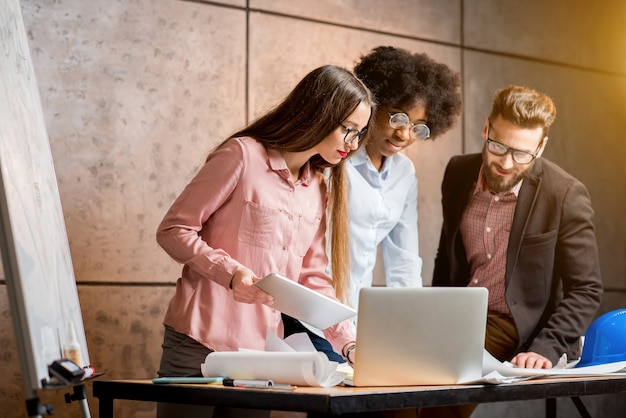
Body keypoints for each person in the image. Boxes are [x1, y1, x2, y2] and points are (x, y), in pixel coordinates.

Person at [154, 64, 374, 417]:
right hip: (199, 342)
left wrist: (347, 341)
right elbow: (173, 230)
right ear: (318, 112)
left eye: (359, 134)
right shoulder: (241, 155)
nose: (353, 143)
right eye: (347, 129)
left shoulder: (316, 187)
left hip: (260, 357)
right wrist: (230, 273)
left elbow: (313, 276)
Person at [422, 85, 603, 418]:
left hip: (511, 323)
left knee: (435, 397)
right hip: (453, 313)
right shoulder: (458, 172)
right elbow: (445, 256)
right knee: (385, 388)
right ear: (486, 128)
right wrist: (432, 313)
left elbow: (586, 289)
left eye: (522, 154)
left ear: (541, 146)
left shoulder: (565, 194)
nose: (506, 163)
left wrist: (546, 347)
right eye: (498, 146)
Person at [345, 46, 462, 312]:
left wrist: (413, 321)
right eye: (399, 117)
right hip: (313, 303)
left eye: (417, 126)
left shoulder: (404, 173)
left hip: (355, 311)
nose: (404, 134)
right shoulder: (337, 159)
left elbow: (404, 260)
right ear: (373, 101)